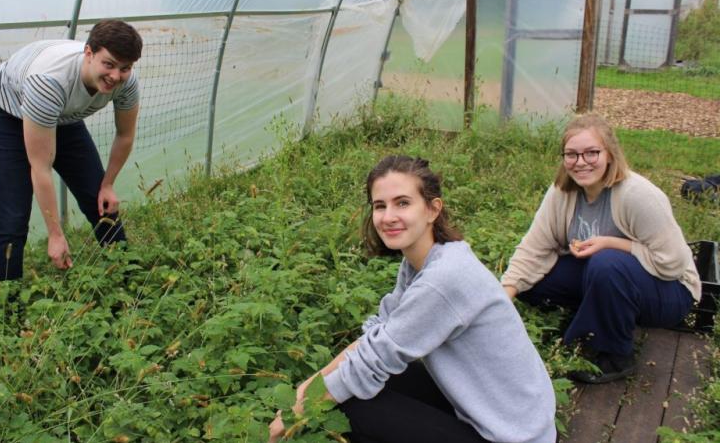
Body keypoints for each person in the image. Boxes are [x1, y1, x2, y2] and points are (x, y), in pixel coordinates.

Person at [269, 155, 557, 443]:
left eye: (403, 203)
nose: (388, 216)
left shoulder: (443, 279)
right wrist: (304, 390)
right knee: (370, 382)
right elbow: (377, 337)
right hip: (496, 414)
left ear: (433, 210)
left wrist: (296, 412)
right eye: (380, 206)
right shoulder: (425, 261)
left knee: (352, 405)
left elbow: (373, 359)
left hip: (514, 436)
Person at [501, 113, 701, 384]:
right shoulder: (562, 193)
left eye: (591, 153)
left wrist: (612, 243)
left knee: (607, 263)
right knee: (533, 281)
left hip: (669, 292)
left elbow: (673, 263)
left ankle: (615, 356)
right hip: (610, 277)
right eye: (571, 154)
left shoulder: (638, 195)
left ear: (610, 154)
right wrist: (504, 295)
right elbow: (534, 247)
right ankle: (601, 315)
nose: (580, 162)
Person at [0, 19, 143, 280]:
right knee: (11, 221)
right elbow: (41, 166)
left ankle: (129, 279)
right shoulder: (49, 82)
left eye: (124, 68)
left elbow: (125, 135)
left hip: (62, 114)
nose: (115, 76)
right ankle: (5, 308)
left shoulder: (127, 83)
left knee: (98, 198)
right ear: (88, 54)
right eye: (109, 64)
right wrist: (55, 234)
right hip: (8, 113)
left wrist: (108, 184)